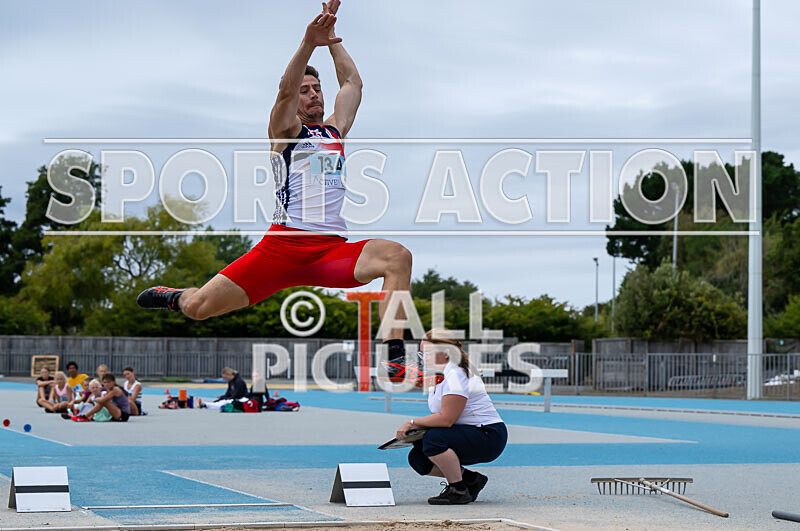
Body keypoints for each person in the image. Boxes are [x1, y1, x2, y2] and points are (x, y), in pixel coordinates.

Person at [135, 0, 412, 361]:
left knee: (397, 257)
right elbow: (284, 90)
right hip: (282, 249)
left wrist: (331, 41)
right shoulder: (285, 131)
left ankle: (392, 353)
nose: (314, 94)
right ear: (295, 100)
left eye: (317, 88)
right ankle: (175, 296)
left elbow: (352, 82)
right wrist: (308, 42)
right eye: (306, 89)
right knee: (199, 307)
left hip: (329, 251)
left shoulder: (334, 131)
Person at [395, 330, 507, 505]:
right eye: (422, 353)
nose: (423, 358)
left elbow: (447, 419)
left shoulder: (456, 374)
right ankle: (470, 480)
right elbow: (440, 416)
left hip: (488, 435)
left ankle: (458, 490)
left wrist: (412, 423)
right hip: (470, 432)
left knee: (434, 439)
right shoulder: (442, 376)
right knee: (418, 457)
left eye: (428, 353)